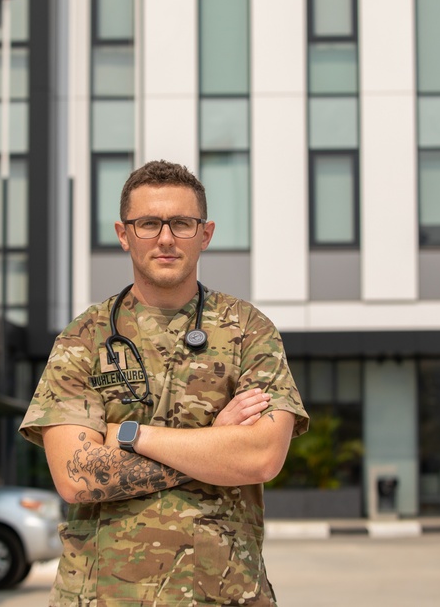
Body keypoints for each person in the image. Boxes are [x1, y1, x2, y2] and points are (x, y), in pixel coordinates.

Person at [20, 160, 310, 606]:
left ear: (206, 233)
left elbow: (262, 455)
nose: (166, 238)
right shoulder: (84, 338)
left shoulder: (247, 330)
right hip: (102, 595)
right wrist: (213, 443)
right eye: (149, 224)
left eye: (182, 223)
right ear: (124, 234)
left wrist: (130, 437)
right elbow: (76, 475)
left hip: (224, 592)